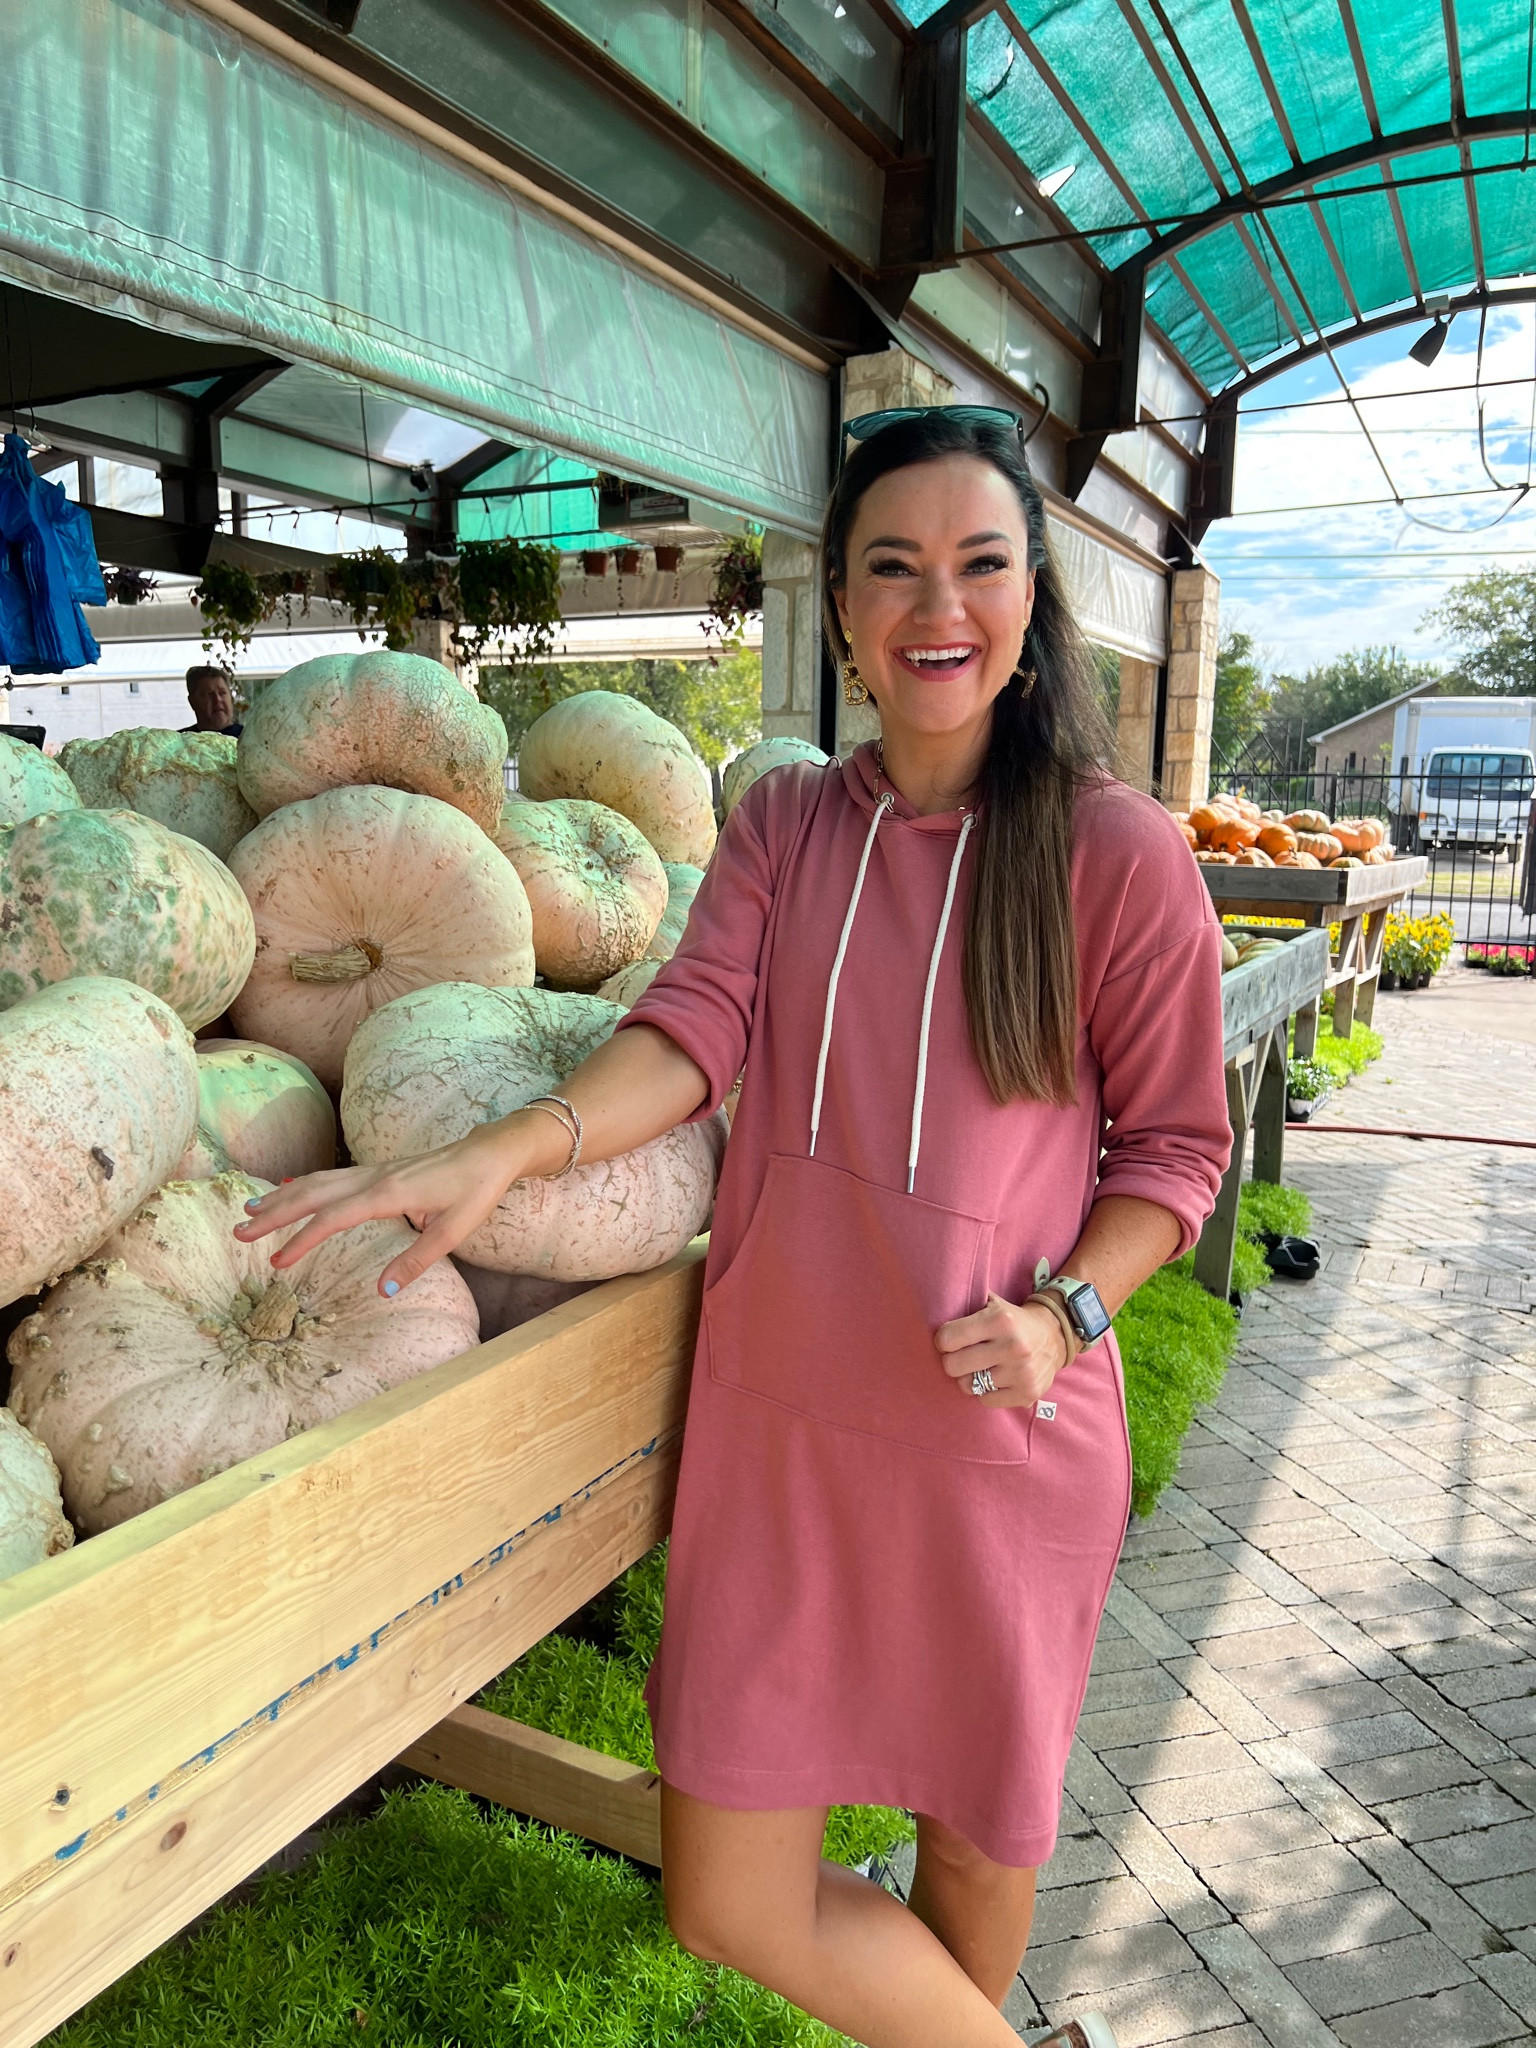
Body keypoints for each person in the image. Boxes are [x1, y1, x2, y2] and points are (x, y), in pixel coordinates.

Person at [235, 409, 1231, 2048]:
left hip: (1000, 1428)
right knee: (727, 1894)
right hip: (782, 1431)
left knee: (973, 1840)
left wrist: (1068, 1310)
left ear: (1030, 593)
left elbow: (1180, 1151)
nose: (939, 603)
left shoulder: (1116, 854)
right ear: (837, 603)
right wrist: (497, 1150)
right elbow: (687, 1032)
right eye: (893, 563)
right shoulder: (783, 829)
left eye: (981, 562)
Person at [181, 663, 242, 736]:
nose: (217, 699)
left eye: (222, 693)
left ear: (231, 697)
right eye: (209, 694)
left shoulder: (251, 738)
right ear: (192, 701)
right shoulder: (177, 742)